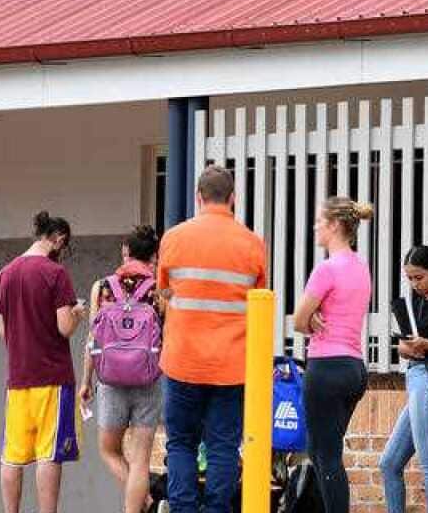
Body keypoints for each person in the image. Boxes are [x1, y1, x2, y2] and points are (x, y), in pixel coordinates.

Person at [157, 165, 267, 513]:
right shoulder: (252, 244)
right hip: (231, 366)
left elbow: (164, 292)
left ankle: (183, 508)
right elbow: (259, 301)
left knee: (181, 444)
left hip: (182, 361)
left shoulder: (174, 238)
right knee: (223, 446)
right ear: (233, 199)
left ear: (198, 197)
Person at [0, 211, 86, 513]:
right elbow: (64, 327)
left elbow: (2, 330)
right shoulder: (55, 273)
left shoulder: (5, 274)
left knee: (13, 456)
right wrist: (77, 314)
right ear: (58, 238)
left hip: (18, 378)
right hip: (53, 377)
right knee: (49, 455)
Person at [293, 195, 373, 513]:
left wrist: (311, 317)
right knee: (323, 449)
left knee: (326, 456)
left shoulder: (326, 269)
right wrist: (314, 315)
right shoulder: (361, 267)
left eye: (319, 222)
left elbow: (299, 320)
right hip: (354, 368)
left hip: (326, 367)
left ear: (336, 225)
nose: (315, 227)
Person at [79, 225, 164, 513]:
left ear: (125, 253)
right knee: (141, 459)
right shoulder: (159, 290)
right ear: (153, 255)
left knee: (109, 450)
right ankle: (144, 503)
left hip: (111, 380)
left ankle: (148, 503)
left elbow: (93, 339)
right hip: (148, 380)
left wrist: (85, 380)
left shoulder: (102, 287)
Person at [379, 245, 428, 513]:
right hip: (416, 377)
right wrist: (407, 347)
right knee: (389, 463)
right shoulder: (412, 302)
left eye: (420, 277)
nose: (415, 284)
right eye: (410, 278)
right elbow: (405, 347)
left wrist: (427, 344)